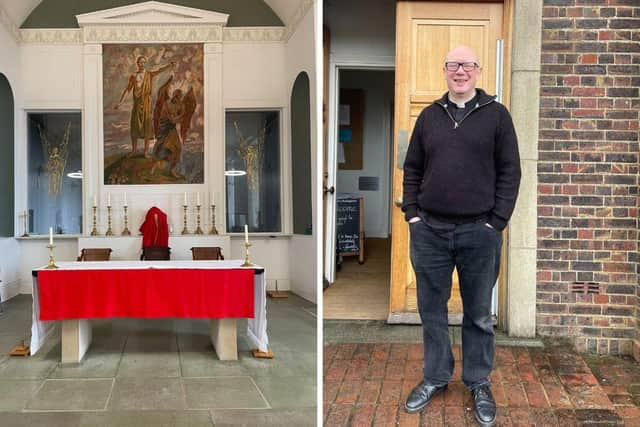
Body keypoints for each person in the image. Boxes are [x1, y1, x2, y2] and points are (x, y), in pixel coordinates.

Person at [402, 46, 521, 427]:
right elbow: (412, 168)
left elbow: (510, 171)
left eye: (467, 65)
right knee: (432, 311)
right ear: (444, 71)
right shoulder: (429, 117)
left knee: (478, 315)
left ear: (478, 71)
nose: (460, 71)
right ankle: (436, 377)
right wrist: (413, 216)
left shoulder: (497, 117)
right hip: (430, 231)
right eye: (453, 65)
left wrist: (496, 222)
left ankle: (478, 382)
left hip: (479, 232)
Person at [116, 55, 175, 158]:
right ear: (137, 63)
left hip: (147, 104)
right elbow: (128, 90)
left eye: (143, 62)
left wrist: (169, 66)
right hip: (137, 104)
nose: (141, 64)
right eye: (140, 62)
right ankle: (134, 151)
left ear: (145, 63)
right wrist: (120, 103)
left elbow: (159, 70)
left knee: (147, 127)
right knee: (134, 127)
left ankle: (146, 152)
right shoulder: (134, 76)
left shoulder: (149, 74)